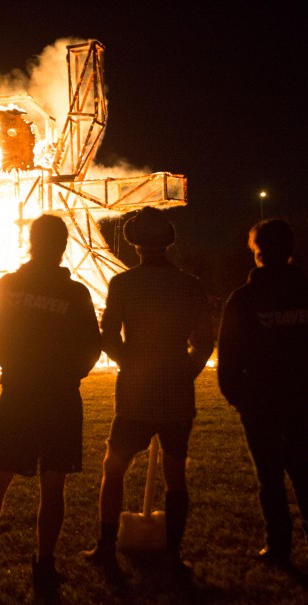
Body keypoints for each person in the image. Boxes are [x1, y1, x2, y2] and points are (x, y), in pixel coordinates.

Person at [0, 214, 102, 599]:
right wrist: (70, 373)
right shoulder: (75, 294)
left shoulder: (9, 286)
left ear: (30, 241)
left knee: (0, 476)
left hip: (19, 394)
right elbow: (92, 345)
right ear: (63, 245)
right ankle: (44, 563)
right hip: (60, 398)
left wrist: (15, 364)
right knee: (53, 483)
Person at [81, 206, 215, 580]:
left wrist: (130, 364)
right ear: (169, 242)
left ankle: (105, 548)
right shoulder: (189, 285)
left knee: (114, 469)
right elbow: (204, 340)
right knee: (176, 475)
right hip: (176, 395)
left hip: (136, 394)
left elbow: (108, 337)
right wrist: (184, 372)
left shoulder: (123, 285)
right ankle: (173, 554)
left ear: (134, 243)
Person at [216, 219, 308, 564]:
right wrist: (306, 386)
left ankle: (279, 544)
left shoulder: (243, 299)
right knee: (301, 468)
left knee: (269, 474)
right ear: (290, 252)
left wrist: (237, 396)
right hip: (294, 397)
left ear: (257, 253)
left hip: (257, 399)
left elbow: (228, 354)